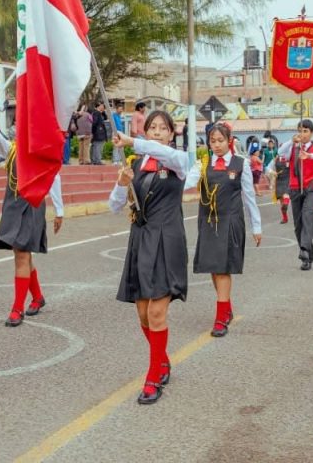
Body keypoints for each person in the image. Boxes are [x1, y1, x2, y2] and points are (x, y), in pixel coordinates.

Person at [109, 111, 191, 405]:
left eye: (162, 128)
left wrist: (135, 141)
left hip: (167, 240)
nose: (157, 132)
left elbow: (159, 152)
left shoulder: (179, 161)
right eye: (151, 127)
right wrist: (122, 183)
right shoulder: (134, 163)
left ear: (171, 133)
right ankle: (163, 359)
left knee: (157, 313)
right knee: (143, 314)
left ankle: (153, 377)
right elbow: (115, 206)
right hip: (141, 240)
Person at [0, 122, 64, 327]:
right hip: (12, 204)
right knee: (21, 254)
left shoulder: (39, 152)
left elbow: (53, 179)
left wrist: (59, 210)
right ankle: (37, 297)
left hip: (31, 204)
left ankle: (17, 308)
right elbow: (1, 144)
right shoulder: (13, 149)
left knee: (21, 253)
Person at [191, 123, 262, 338]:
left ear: (229, 140)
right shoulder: (203, 164)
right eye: (212, 141)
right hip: (208, 221)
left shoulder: (241, 164)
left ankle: (221, 317)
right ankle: (227, 307)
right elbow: (186, 181)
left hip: (231, 221)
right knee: (214, 268)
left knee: (222, 269)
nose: (217, 145)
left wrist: (256, 227)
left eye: (221, 140)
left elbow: (249, 197)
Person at [277, 119, 313, 270]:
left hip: (311, 188)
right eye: (300, 130)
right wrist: (292, 142)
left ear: (311, 133)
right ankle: (307, 256)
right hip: (295, 188)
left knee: (307, 215)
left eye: (305, 131)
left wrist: (310, 156)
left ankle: (303, 249)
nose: (302, 134)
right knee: (298, 224)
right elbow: (280, 152)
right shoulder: (292, 147)